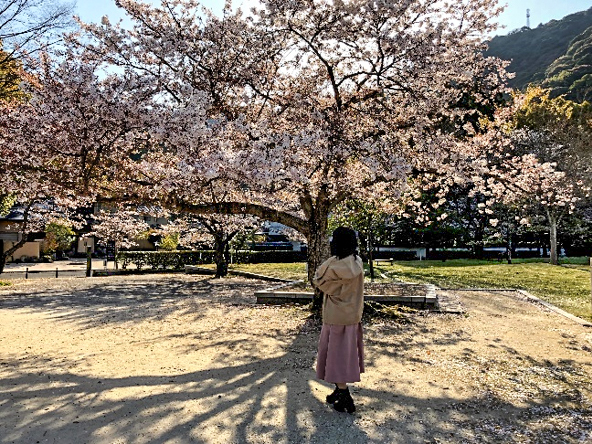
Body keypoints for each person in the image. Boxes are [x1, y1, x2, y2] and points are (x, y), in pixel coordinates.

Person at [313, 226, 364, 414]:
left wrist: (329, 261)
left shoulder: (333, 267)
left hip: (335, 317)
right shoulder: (356, 262)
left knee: (335, 356)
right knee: (345, 354)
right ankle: (339, 390)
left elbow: (318, 279)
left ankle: (344, 395)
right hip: (352, 315)